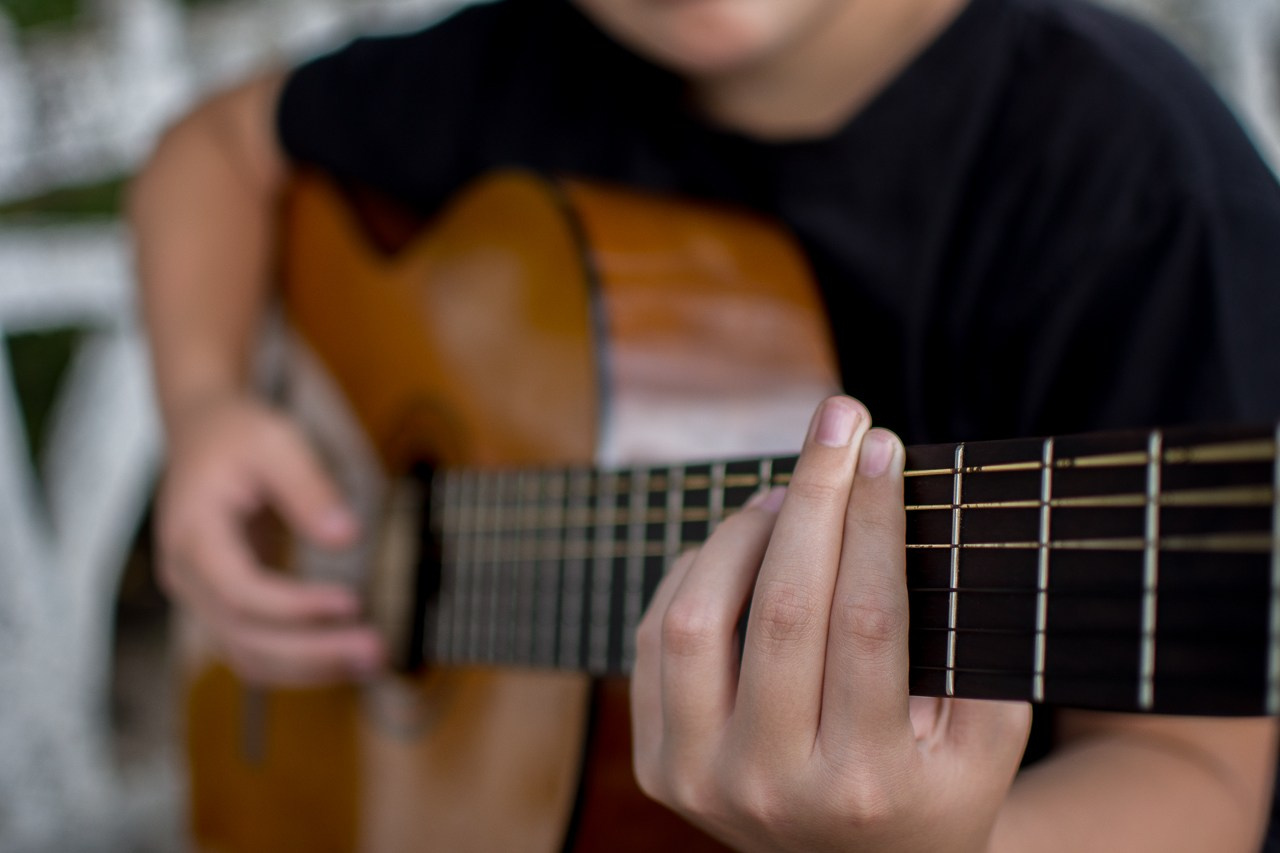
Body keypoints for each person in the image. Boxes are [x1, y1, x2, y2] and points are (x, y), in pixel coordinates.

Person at [129, 0, 1280, 849]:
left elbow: (1193, 775)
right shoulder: (518, 67)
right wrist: (204, 405)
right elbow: (216, 151)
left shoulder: (1139, 185)